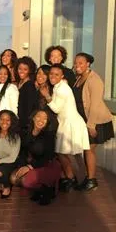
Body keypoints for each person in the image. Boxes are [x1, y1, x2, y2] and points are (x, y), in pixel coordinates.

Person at [40, 64, 90, 192]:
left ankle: (73, 178)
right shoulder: (60, 86)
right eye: (51, 74)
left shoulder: (62, 89)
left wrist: (46, 95)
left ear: (62, 76)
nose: (53, 76)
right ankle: (80, 179)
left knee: (65, 153)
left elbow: (56, 108)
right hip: (68, 122)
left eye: (56, 74)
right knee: (74, 154)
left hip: (70, 123)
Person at [73, 53, 114, 191]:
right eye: (76, 63)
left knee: (89, 150)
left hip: (96, 121)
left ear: (88, 64)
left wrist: (91, 125)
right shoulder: (78, 78)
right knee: (86, 149)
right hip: (85, 120)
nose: (77, 65)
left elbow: (96, 104)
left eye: (81, 63)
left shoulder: (94, 80)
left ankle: (91, 180)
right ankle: (88, 178)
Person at [11, 110, 61, 205]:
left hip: (48, 165)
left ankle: (48, 189)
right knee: (14, 178)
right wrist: (22, 166)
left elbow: (48, 157)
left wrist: (29, 167)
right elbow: (22, 152)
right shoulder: (25, 132)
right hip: (32, 164)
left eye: (45, 118)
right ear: (33, 118)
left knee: (26, 181)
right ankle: (39, 189)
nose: (41, 120)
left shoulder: (49, 136)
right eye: (38, 116)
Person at [34, 65, 58, 131]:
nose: (40, 76)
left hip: (47, 125)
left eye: (44, 74)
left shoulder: (50, 89)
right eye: (39, 73)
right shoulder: (37, 87)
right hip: (38, 124)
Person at [16, 56, 37, 130]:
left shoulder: (29, 85)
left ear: (30, 70)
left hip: (25, 124)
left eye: (25, 69)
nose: (22, 71)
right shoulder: (20, 83)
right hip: (19, 121)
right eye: (20, 69)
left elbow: (29, 108)